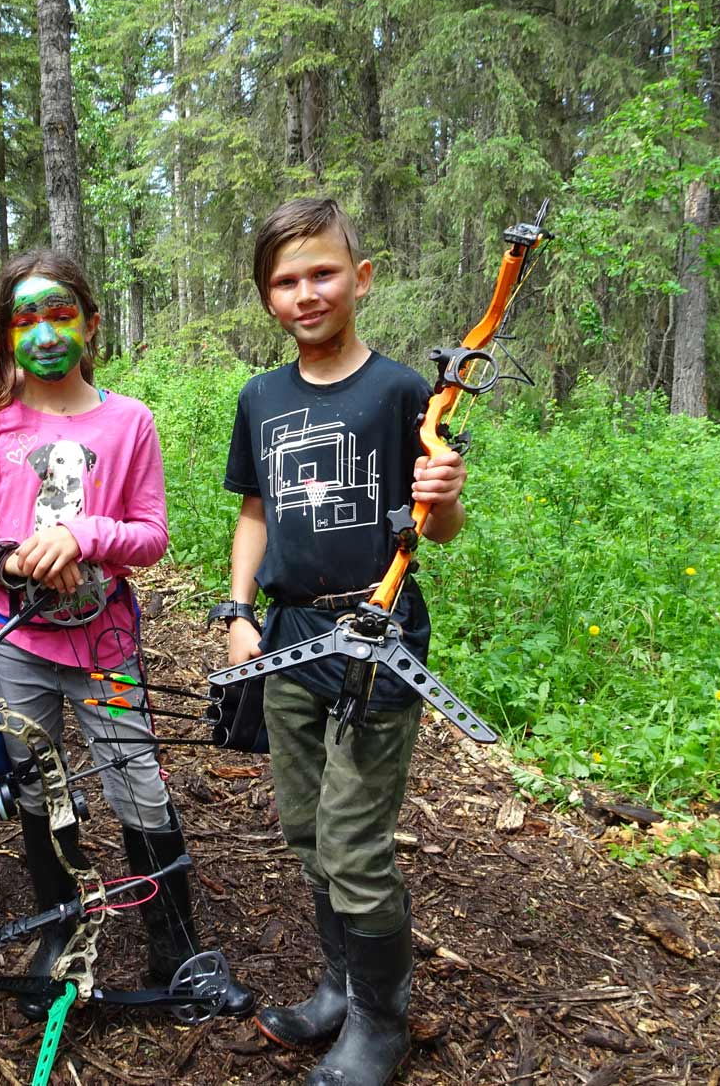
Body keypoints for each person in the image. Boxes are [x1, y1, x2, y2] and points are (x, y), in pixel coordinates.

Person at [0, 250, 253, 1021]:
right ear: (5, 335)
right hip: (15, 649)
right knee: (38, 783)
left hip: (104, 643)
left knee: (138, 782)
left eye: (59, 314)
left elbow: (150, 536)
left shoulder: (128, 419)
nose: (44, 332)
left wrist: (83, 534)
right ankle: (60, 929)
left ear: (90, 322)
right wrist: (9, 560)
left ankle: (174, 943)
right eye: (24, 319)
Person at [220, 197, 467, 1086]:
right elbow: (255, 511)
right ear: (267, 298)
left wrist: (443, 489)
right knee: (304, 826)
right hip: (286, 632)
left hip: (378, 634)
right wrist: (239, 610)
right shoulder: (260, 396)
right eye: (285, 281)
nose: (305, 292)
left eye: (321, 273)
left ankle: (378, 1024)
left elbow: (436, 534)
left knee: (355, 839)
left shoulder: (403, 390)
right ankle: (337, 985)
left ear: (360, 279)